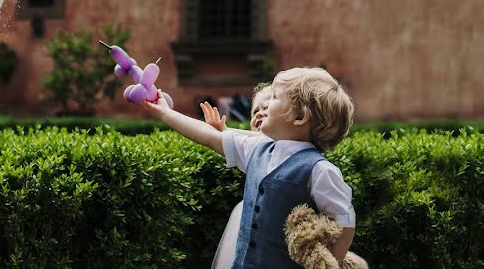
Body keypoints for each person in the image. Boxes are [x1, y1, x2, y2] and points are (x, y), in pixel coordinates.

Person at [143, 67, 356, 268]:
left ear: (299, 117)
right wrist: (165, 113)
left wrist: (326, 264)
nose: (265, 105)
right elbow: (210, 137)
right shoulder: (257, 148)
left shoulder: (320, 170)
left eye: (274, 98)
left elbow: (344, 222)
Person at [205, 83, 272, 269]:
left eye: (266, 108)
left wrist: (226, 131)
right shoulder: (253, 148)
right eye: (255, 111)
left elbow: (261, 139)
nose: (259, 113)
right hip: (248, 218)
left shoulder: (286, 144)